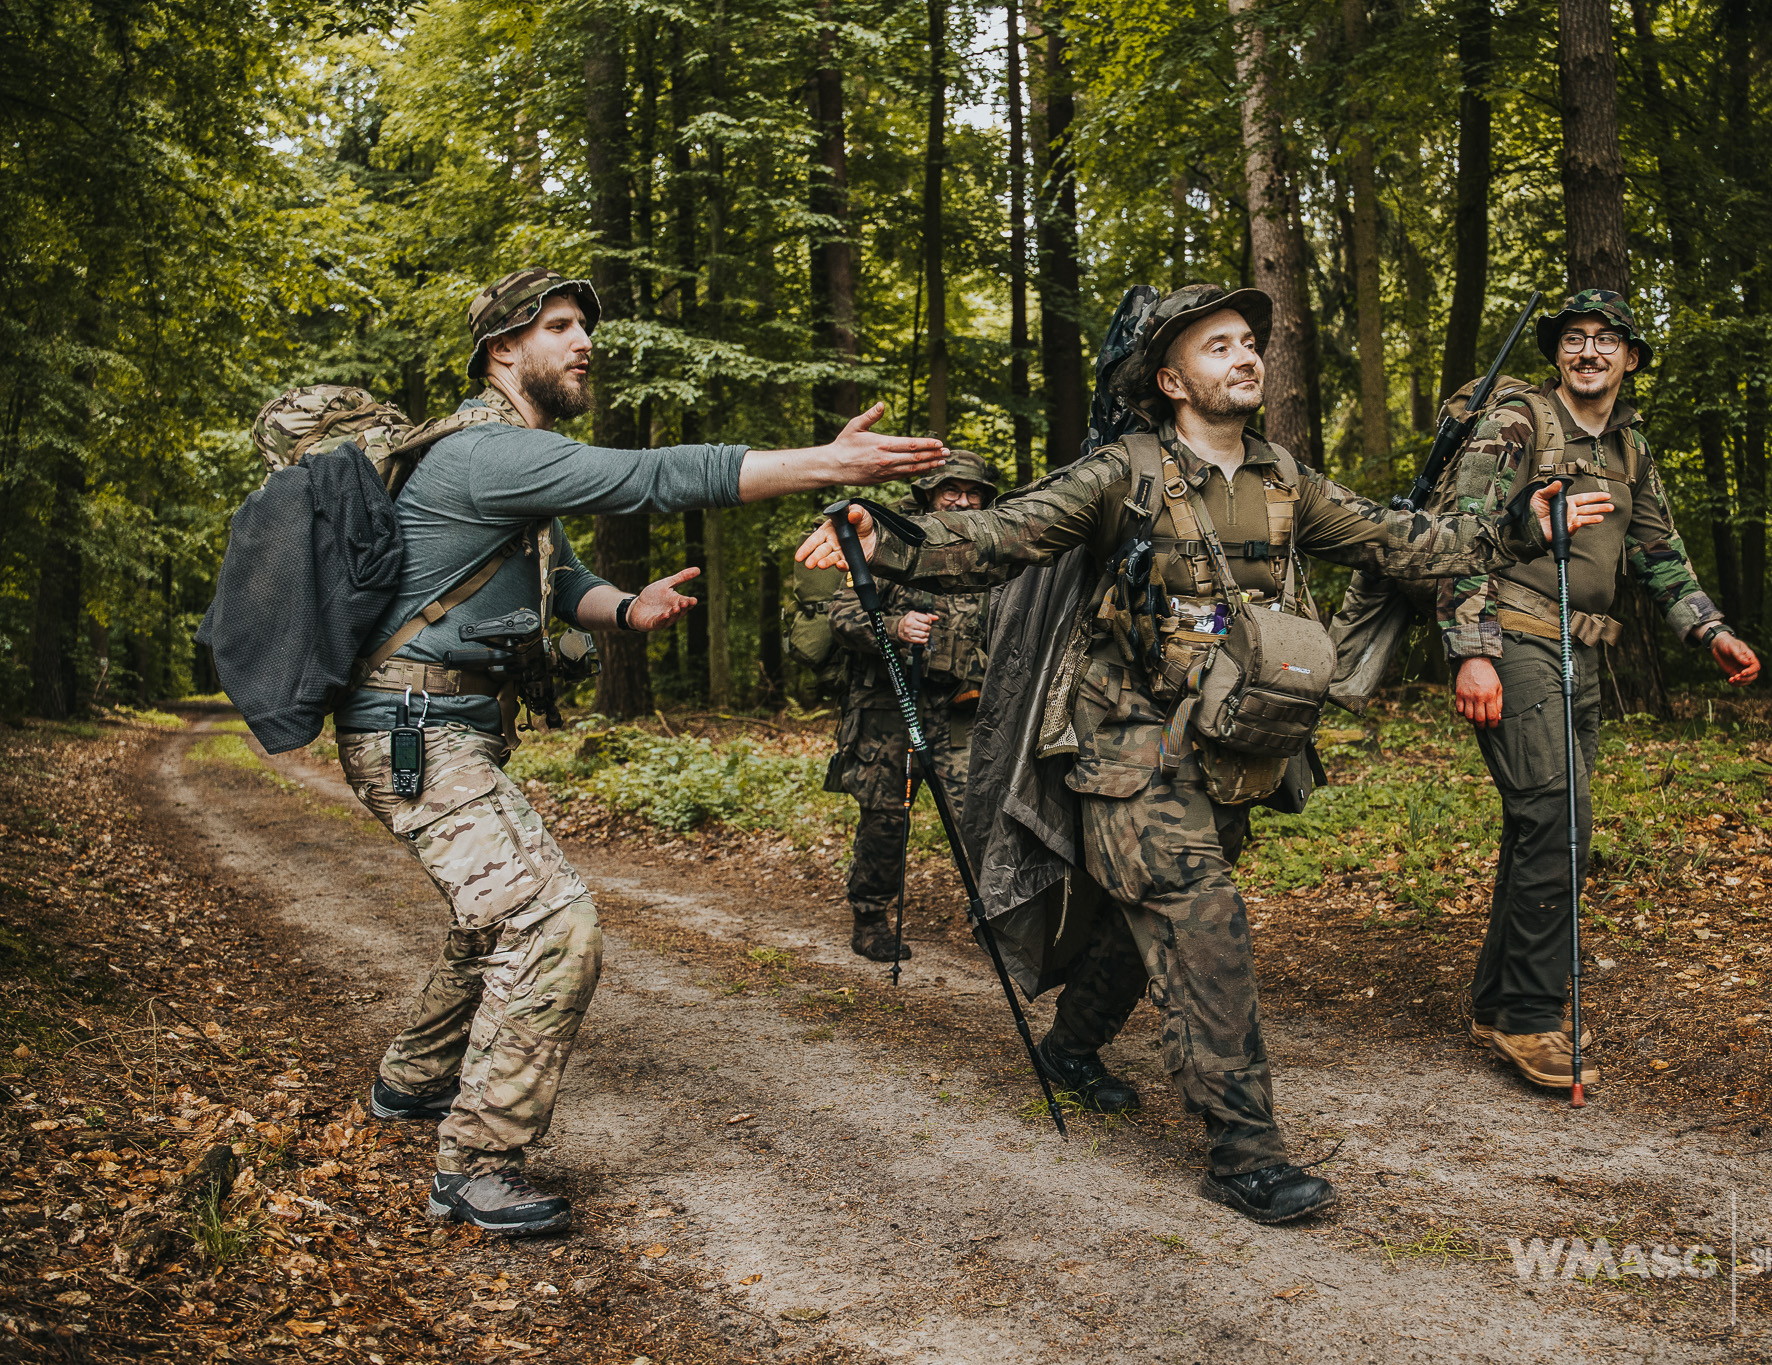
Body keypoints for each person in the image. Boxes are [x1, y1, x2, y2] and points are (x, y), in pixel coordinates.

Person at [797, 284, 1613, 1224]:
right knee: (1201, 911)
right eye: (1218, 345)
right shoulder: (1121, 472)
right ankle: (1244, 1150)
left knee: (1133, 926)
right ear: (1171, 377)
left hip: (1230, 747)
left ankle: (1070, 1049)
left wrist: (1517, 527)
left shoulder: (1285, 478)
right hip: (1120, 746)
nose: (1244, 356)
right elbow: (997, 533)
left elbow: (1408, 543)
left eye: (1249, 343)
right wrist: (887, 534)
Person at [334, 267, 943, 1235]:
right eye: (560, 327)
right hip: (411, 730)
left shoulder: (508, 463)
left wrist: (625, 606)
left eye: (585, 328)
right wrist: (822, 465)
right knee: (552, 922)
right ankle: (477, 1163)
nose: (584, 343)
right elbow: (649, 479)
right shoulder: (482, 454)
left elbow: (558, 574)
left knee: (494, 915)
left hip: (446, 728)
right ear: (502, 351)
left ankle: (410, 1084)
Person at [1439, 288, 1761, 1092]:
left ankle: (1496, 1000)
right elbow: (1458, 532)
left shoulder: (1629, 449)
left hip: (1579, 653)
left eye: (1605, 340)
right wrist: (1471, 650)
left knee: (1546, 823)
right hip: (1512, 635)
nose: (1589, 352)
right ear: (1557, 355)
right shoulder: (1520, 420)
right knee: (1558, 813)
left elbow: (1658, 549)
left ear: (1631, 358)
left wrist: (1708, 629)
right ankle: (1530, 1016)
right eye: (1574, 339)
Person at [825, 453, 998, 963]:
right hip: (889, 707)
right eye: (952, 490)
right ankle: (871, 917)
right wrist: (898, 627)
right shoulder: (896, 541)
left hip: (963, 709)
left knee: (980, 816)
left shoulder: (993, 553)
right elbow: (842, 614)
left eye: (974, 492)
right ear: (930, 494)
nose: (963, 500)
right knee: (886, 816)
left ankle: (993, 919)